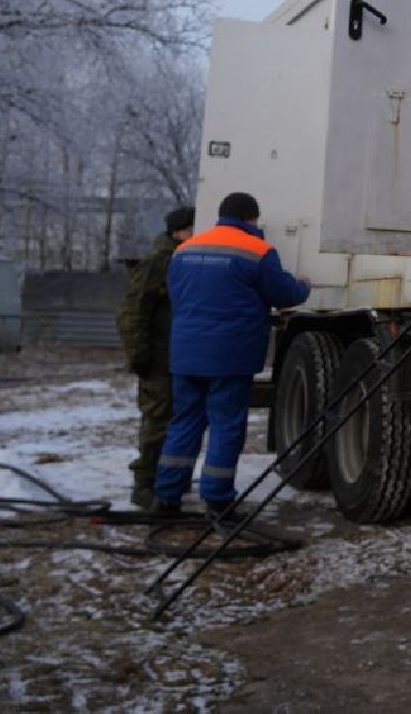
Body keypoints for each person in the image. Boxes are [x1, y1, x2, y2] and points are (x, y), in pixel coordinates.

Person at [151, 192, 310, 522]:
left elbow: (178, 295)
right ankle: (218, 499)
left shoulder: (184, 250)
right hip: (230, 354)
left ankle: (166, 498)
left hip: (186, 353)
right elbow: (285, 295)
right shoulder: (257, 251)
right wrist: (303, 285)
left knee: (185, 422)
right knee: (225, 424)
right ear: (252, 219)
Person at [116, 205, 196, 508]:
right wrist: (139, 356)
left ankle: (170, 479)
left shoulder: (180, 260)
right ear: (180, 230)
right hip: (159, 360)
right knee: (158, 421)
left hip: (178, 357)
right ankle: (144, 484)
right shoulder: (157, 264)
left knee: (178, 420)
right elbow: (132, 313)